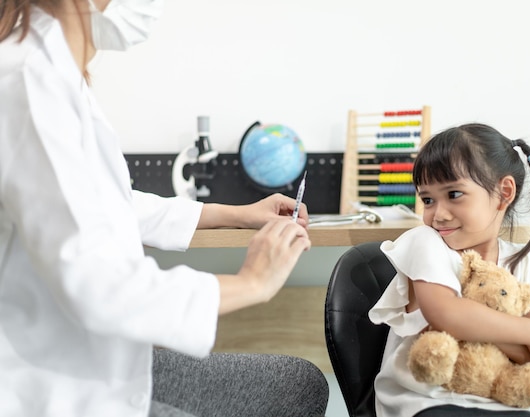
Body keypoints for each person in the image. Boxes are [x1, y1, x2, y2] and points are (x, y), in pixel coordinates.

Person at [0, 1, 328, 416]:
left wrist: (239, 213)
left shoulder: (55, 74)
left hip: (90, 361)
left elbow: (109, 204)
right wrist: (252, 282)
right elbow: (96, 285)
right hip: (46, 388)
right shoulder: (28, 81)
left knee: (298, 384)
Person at [368, 123, 530, 417]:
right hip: (427, 402)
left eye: (454, 194)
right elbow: (446, 314)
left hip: (505, 405)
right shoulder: (425, 243)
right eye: (427, 200)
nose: (439, 214)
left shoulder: (524, 263)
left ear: (504, 192)